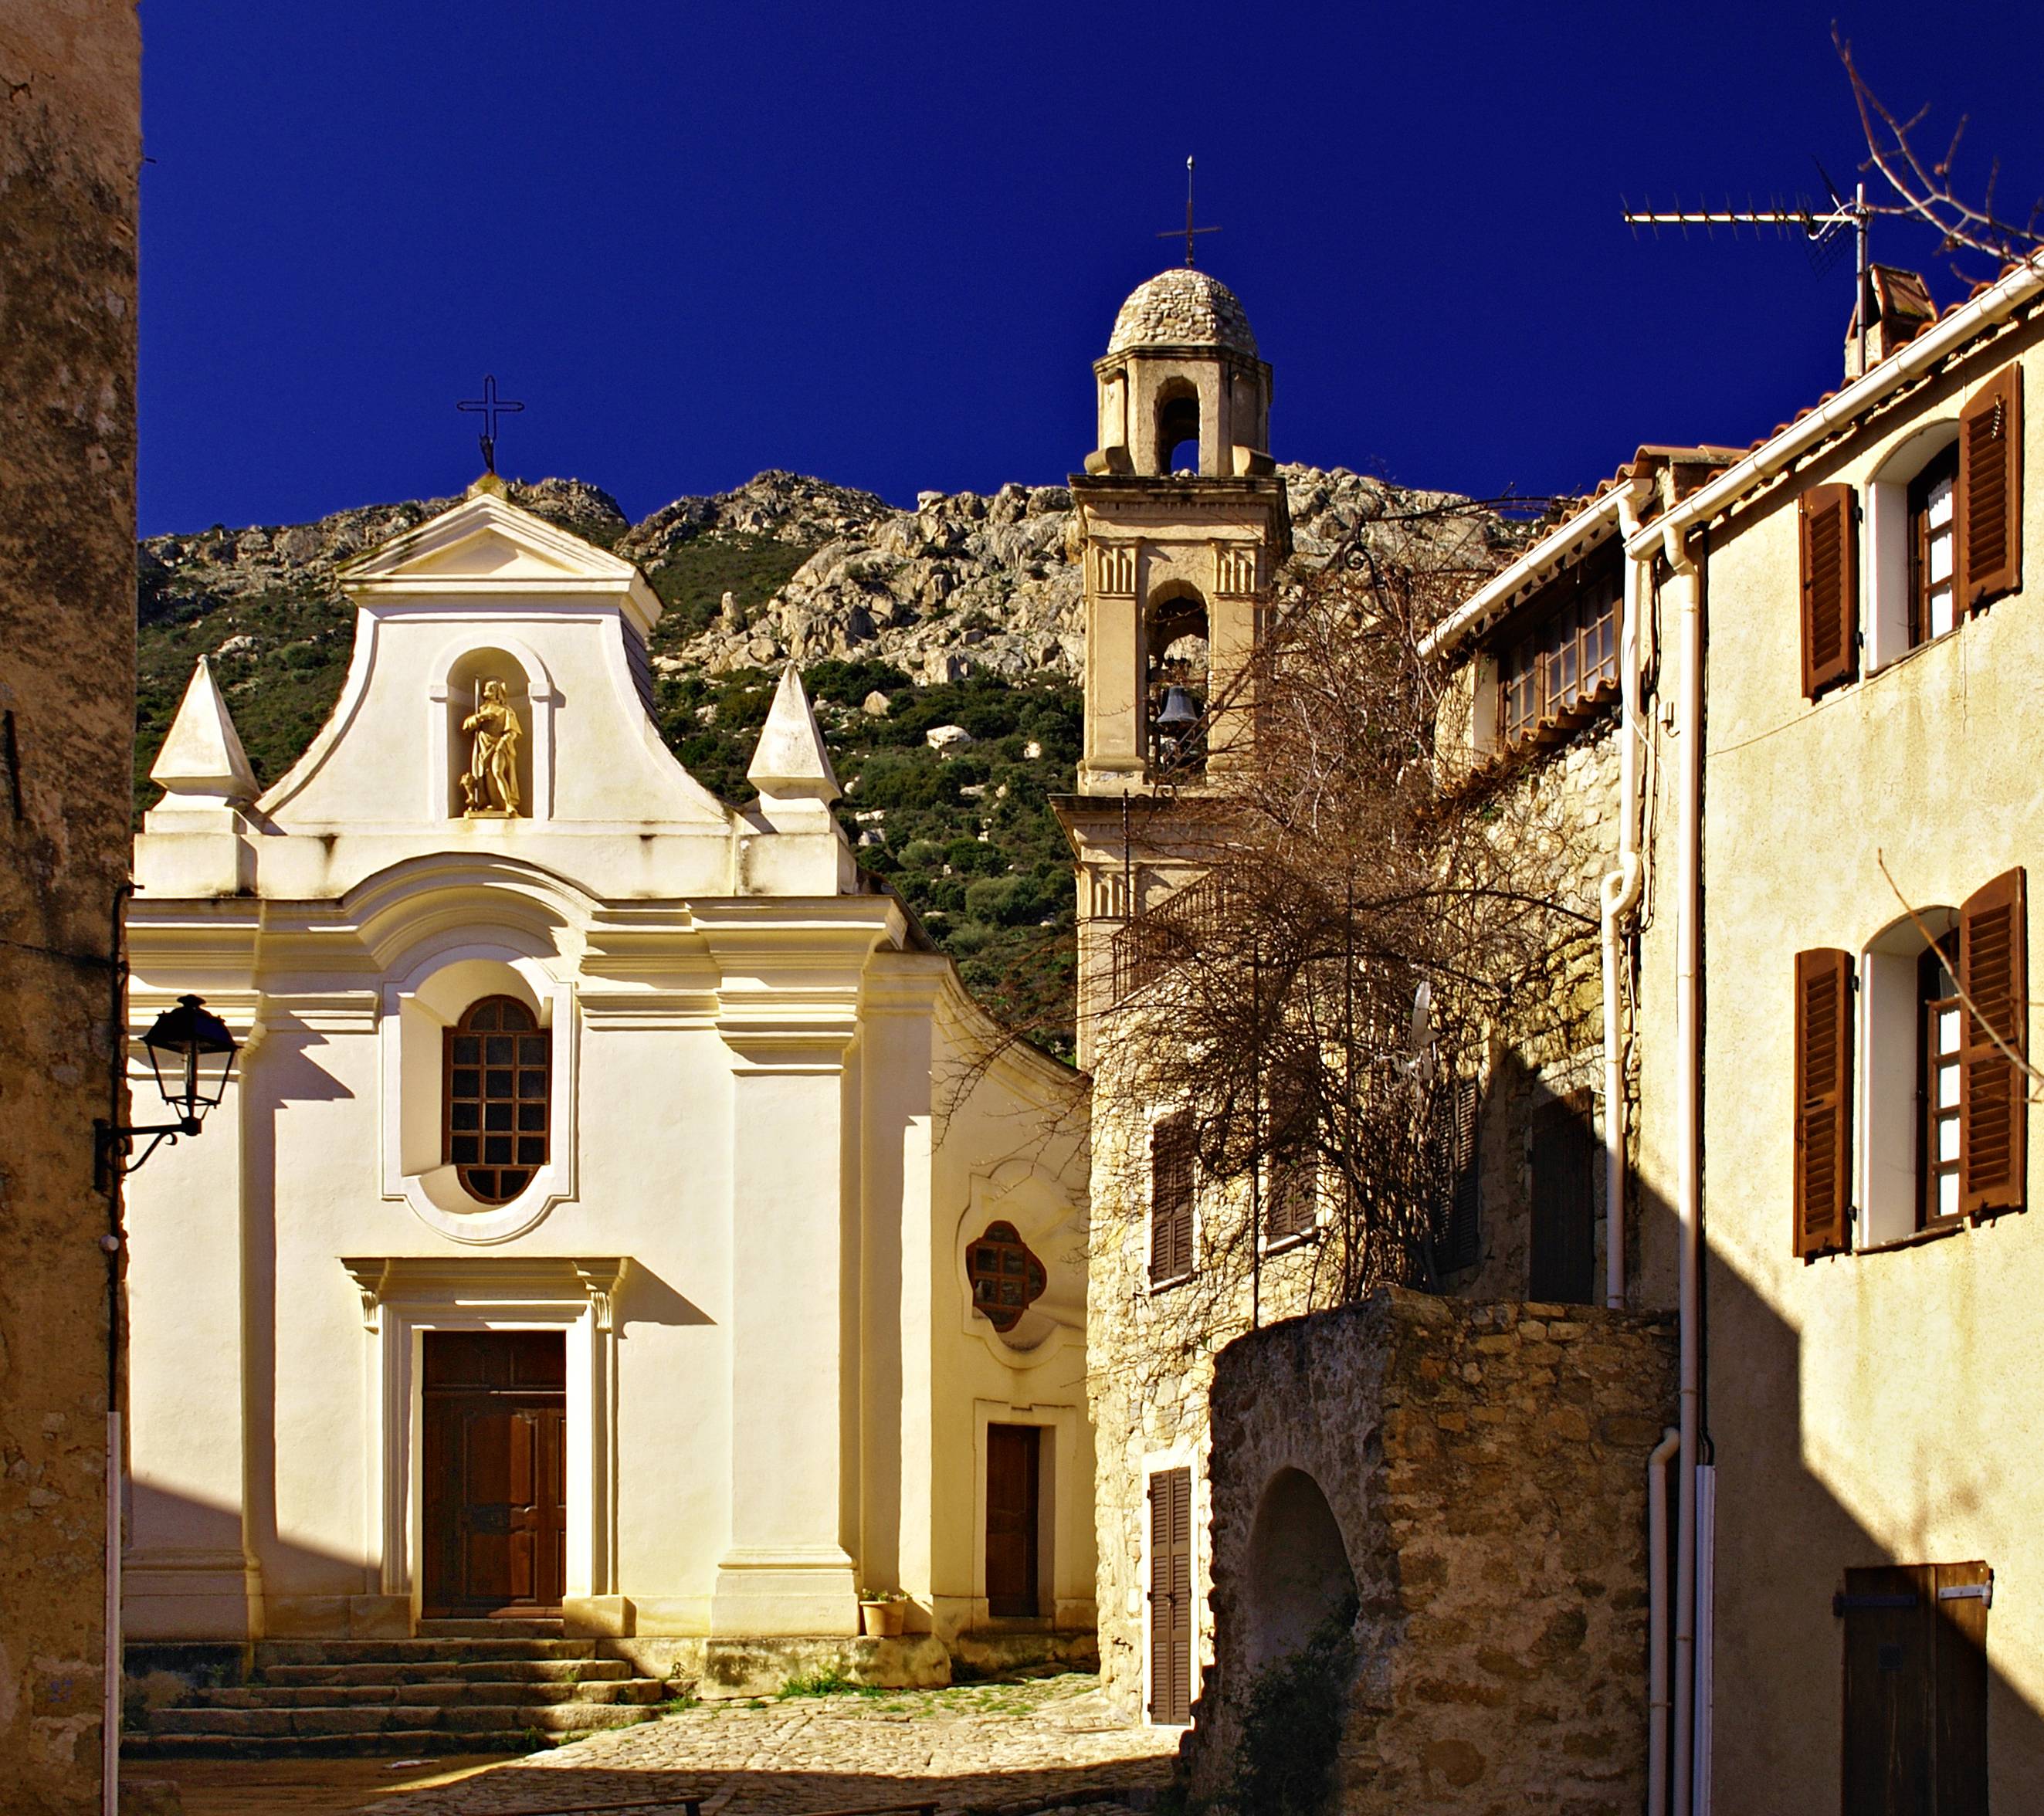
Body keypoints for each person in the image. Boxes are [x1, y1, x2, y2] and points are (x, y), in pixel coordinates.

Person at [460, 677, 522, 815]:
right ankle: (488, 804)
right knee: (483, 776)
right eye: (487, 687)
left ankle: (508, 804)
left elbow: (513, 732)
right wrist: (481, 717)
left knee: (497, 772)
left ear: (498, 692)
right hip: (483, 747)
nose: (488, 690)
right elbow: (466, 727)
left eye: (492, 688)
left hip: (499, 747)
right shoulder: (481, 709)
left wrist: (502, 743)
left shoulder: (506, 711)